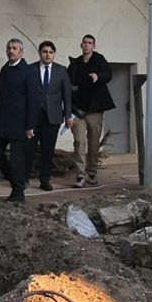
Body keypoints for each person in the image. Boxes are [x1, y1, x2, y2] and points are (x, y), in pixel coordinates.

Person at [0, 38, 38, 203]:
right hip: (1, 122)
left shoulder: (28, 71)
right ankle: (17, 183)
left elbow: (33, 100)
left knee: (17, 160)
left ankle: (18, 193)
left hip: (19, 124)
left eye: (15, 48)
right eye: (9, 48)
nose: (11, 51)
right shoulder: (5, 69)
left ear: (21, 52)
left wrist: (30, 125)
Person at [67, 34, 114, 188]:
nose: (87, 45)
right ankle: (80, 176)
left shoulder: (99, 59)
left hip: (95, 110)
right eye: (84, 43)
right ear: (81, 45)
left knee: (93, 143)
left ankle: (92, 173)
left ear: (94, 46)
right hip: (78, 110)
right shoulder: (75, 64)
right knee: (79, 142)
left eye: (90, 43)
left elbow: (108, 74)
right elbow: (67, 84)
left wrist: (98, 76)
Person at [30, 40, 73, 191]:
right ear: (40, 53)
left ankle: (45, 180)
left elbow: (67, 95)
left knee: (47, 150)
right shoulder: (31, 69)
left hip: (53, 116)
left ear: (54, 54)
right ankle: (23, 179)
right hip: (33, 117)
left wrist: (68, 115)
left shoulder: (61, 71)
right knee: (29, 148)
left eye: (50, 52)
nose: (47, 55)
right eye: (44, 51)